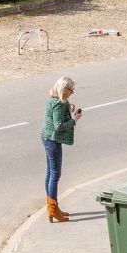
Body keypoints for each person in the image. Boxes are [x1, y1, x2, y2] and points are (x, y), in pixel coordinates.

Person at [42, 76, 81, 222]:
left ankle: (52, 207)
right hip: (53, 140)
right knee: (55, 175)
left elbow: (56, 117)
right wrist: (74, 120)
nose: (73, 92)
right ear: (64, 90)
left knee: (49, 174)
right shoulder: (58, 104)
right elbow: (58, 126)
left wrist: (68, 110)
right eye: (71, 90)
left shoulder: (52, 99)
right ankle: (53, 209)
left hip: (46, 138)